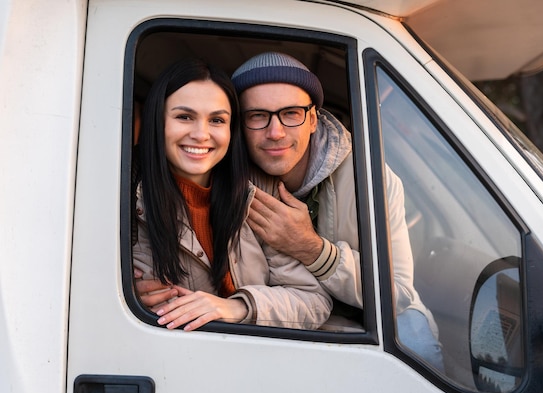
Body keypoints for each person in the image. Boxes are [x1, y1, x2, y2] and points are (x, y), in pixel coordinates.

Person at [231, 52, 444, 370]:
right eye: (257, 116)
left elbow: (397, 294)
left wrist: (310, 248)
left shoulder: (370, 177)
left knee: (417, 349)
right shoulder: (227, 179)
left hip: (369, 319)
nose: (275, 131)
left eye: (291, 113)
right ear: (239, 124)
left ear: (314, 119)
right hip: (279, 314)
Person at [132, 58, 332, 331]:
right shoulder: (122, 197)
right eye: (184, 117)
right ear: (158, 121)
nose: (201, 134)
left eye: (216, 120)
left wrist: (238, 307)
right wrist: (122, 292)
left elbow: (313, 301)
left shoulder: (258, 192)